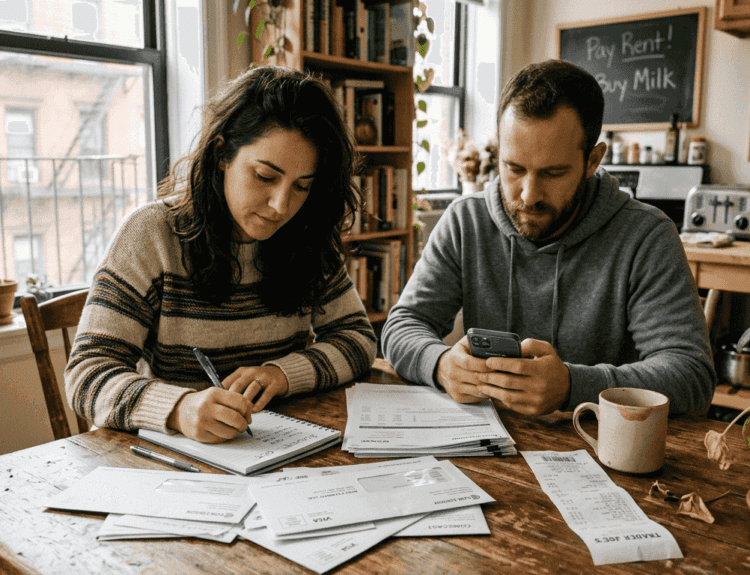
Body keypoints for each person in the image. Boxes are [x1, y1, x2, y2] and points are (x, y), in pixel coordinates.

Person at [381, 59, 716, 417]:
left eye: (553, 173)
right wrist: (441, 363)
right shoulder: (466, 221)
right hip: (488, 445)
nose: (528, 195)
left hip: (603, 452)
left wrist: (572, 386)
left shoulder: (646, 237)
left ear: (593, 160)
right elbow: (402, 326)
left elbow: (691, 374)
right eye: (514, 168)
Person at [65, 65, 377, 443]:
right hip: (175, 461)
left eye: (302, 186)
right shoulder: (152, 233)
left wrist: (281, 374)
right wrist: (179, 409)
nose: (281, 205)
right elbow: (87, 376)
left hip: (277, 451)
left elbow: (358, 339)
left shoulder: (306, 235)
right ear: (222, 154)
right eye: (264, 176)